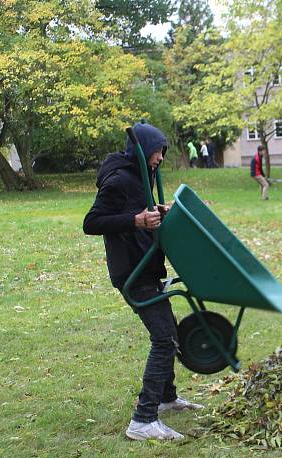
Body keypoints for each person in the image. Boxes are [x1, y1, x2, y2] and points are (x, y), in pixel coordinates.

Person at [83, 121, 203, 441]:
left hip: (146, 265)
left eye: (162, 151)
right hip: (131, 271)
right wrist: (135, 220)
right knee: (164, 338)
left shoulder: (141, 176)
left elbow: (140, 210)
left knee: (169, 331)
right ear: (140, 150)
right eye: (156, 151)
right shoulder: (119, 180)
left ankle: (166, 398)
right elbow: (91, 222)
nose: (160, 157)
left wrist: (155, 212)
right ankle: (143, 419)